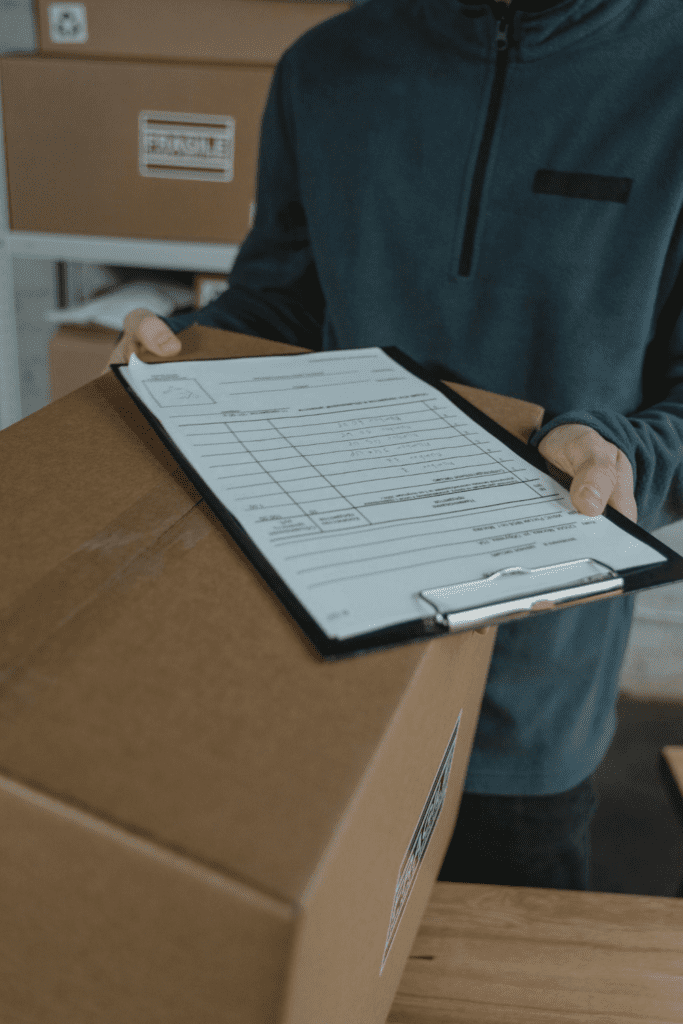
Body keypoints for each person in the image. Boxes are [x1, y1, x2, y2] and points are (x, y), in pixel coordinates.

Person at [104, 0, 683, 892]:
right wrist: (191, 347)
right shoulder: (326, 64)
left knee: (500, 961)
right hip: (321, 640)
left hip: (532, 678)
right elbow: (283, 299)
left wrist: (620, 450)